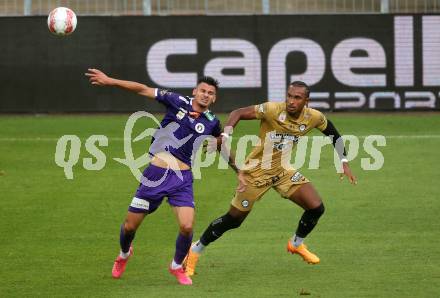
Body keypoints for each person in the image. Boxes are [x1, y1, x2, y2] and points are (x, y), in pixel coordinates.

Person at [184, 81, 357, 276]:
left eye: (297, 98)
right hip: (256, 173)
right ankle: (194, 250)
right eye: (289, 96)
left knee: (316, 207)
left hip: (283, 171)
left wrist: (344, 160)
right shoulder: (272, 110)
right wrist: (225, 134)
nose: (291, 101)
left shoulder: (314, 117)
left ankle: (296, 244)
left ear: (306, 101)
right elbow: (238, 113)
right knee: (233, 220)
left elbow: (334, 134)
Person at [85, 68, 223, 285]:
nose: (206, 95)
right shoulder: (176, 101)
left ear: (214, 98)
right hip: (155, 175)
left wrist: (225, 148)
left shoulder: (212, 120)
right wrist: (110, 80)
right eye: (203, 90)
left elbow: (221, 138)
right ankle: (123, 254)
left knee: (187, 226)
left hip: (182, 180)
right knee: (130, 226)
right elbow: (143, 89)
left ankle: (176, 266)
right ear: (195, 91)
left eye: (210, 93)